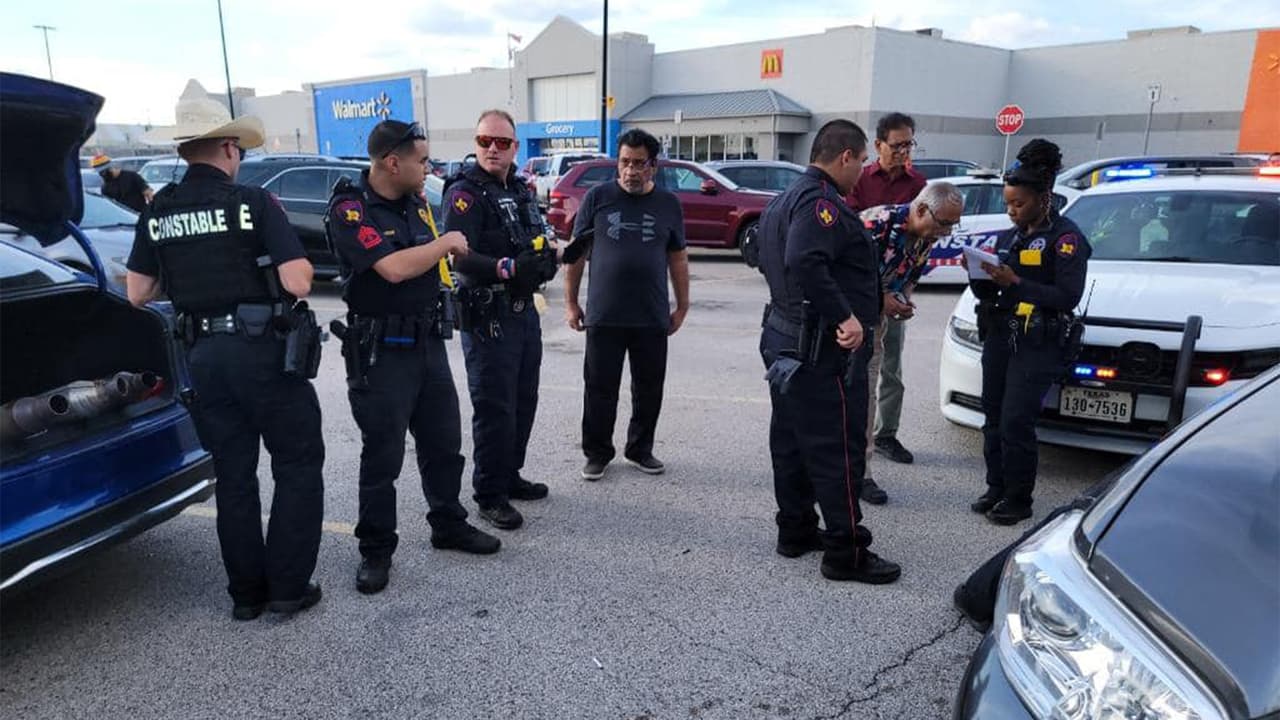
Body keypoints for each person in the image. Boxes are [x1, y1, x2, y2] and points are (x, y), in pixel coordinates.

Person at [124, 116, 324, 620]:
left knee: (235, 478)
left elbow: (137, 293)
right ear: (230, 149)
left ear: (187, 150)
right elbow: (299, 281)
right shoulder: (253, 203)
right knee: (297, 464)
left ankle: (245, 597)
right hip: (264, 355)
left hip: (203, 359)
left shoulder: (158, 211)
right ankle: (286, 589)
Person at [326, 119, 500, 596]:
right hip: (381, 352)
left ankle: (448, 524)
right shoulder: (351, 210)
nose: (428, 169)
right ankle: (376, 551)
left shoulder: (416, 203)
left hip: (427, 344)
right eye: (422, 161)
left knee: (444, 444)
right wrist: (445, 243)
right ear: (392, 161)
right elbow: (393, 268)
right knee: (381, 458)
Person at [757, 119, 901, 584]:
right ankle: (846, 551)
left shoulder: (785, 198)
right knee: (836, 447)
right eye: (861, 161)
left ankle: (796, 529)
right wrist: (845, 316)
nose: (862, 171)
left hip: (786, 337)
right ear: (846, 157)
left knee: (792, 440)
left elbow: (762, 254)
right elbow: (804, 258)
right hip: (818, 348)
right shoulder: (820, 204)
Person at [441, 110, 558, 531]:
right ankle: (489, 493)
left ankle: (509, 475)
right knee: (494, 407)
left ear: (515, 148)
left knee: (524, 400)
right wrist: (508, 267)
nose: (493, 148)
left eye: (502, 142)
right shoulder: (464, 193)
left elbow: (535, 236)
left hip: (524, 312)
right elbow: (459, 253)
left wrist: (546, 259)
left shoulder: (521, 189)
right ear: (476, 143)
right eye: (485, 140)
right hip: (488, 313)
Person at [970, 138, 1091, 525]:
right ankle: (996, 486)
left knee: (1016, 420)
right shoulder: (1008, 237)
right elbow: (992, 290)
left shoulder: (1067, 239)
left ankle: (1019, 498)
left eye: (1018, 203)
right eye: (1007, 204)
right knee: (992, 415)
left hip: (1037, 342)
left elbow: (1067, 296)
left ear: (1044, 197)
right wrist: (979, 273)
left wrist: (1016, 281)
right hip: (1001, 336)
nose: (1011, 211)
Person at [562, 129, 690, 482]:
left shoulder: (669, 204)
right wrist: (571, 303)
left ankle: (640, 449)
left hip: (651, 315)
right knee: (599, 388)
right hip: (605, 314)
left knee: (649, 388)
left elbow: (678, 258)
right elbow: (576, 256)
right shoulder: (598, 197)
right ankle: (597, 452)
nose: (631, 171)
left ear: (653, 166)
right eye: (624, 162)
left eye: (639, 163)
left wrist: (682, 305)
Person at [857, 184, 964, 503]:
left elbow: (910, 278)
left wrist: (902, 301)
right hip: (843, 323)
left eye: (953, 225)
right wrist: (883, 298)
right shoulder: (875, 224)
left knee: (866, 400)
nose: (946, 232)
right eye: (944, 223)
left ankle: (860, 474)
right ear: (920, 210)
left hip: (874, 321)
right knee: (839, 401)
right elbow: (846, 277)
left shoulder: (926, 237)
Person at [847, 113, 928, 472]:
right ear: (878, 144)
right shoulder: (861, 181)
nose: (902, 151)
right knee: (863, 370)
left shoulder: (919, 185)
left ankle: (886, 434)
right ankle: (854, 445)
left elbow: (922, 244)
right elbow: (849, 235)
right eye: (896, 145)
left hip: (897, 291)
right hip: (862, 293)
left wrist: (905, 294)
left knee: (892, 365)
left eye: (908, 144)